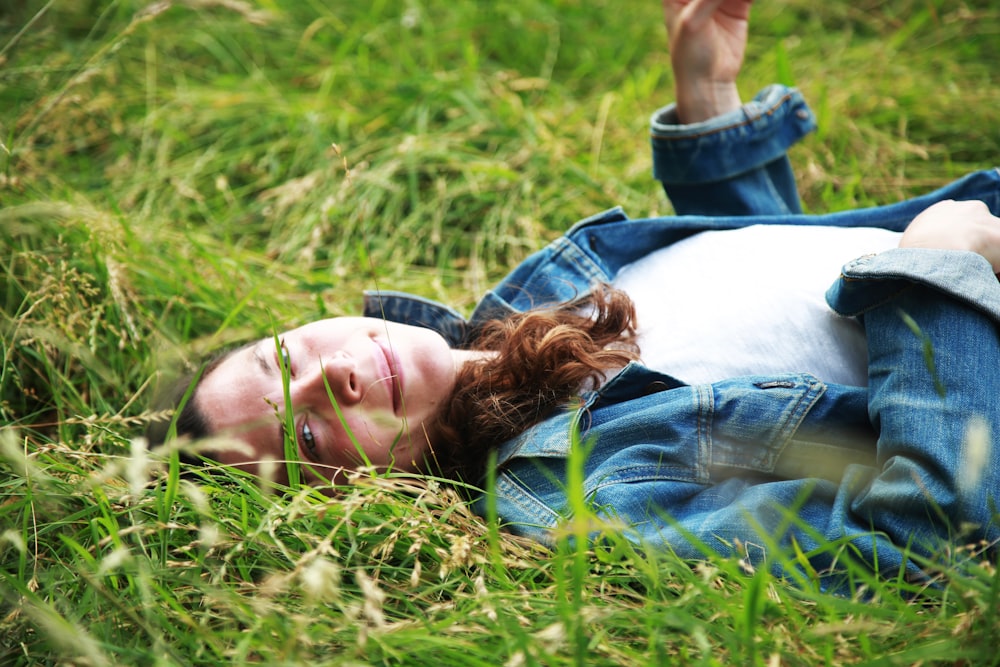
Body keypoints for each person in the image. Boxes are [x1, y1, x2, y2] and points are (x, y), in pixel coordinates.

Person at [151, 0, 1000, 589]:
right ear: (345, 508)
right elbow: (922, 542)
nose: (329, 376)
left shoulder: (533, 311)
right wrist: (931, 281)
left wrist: (710, 113)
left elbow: (793, 326)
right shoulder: (577, 496)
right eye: (304, 432)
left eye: (287, 352)